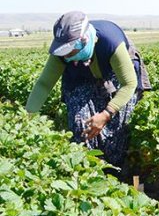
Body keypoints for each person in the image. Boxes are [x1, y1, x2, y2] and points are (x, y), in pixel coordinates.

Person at [25, 11, 150, 167]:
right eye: (63, 52)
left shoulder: (110, 42)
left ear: (83, 41)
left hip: (114, 68)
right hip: (80, 75)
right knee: (81, 125)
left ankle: (115, 170)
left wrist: (107, 113)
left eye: (70, 51)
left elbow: (129, 83)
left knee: (116, 128)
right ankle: (89, 169)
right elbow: (44, 84)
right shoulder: (61, 52)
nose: (66, 56)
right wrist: (27, 117)